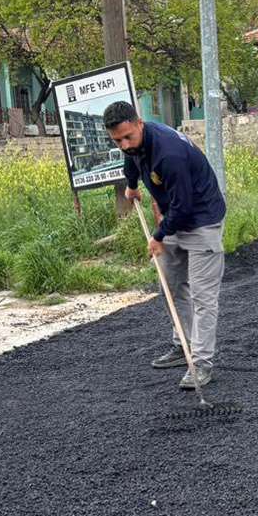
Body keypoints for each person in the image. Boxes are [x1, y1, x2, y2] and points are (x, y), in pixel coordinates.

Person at [103, 101, 227, 390]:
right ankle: (182, 344)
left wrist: (158, 236)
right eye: (116, 140)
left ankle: (201, 364)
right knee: (169, 285)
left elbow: (184, 206)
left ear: (139, 123)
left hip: (201, 220)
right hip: (175, 216)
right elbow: (131, 159)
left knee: (202, 296)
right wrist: (131, 185)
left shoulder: (169, 153)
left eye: (127, 137)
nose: (123, 144)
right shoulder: (134, 145)